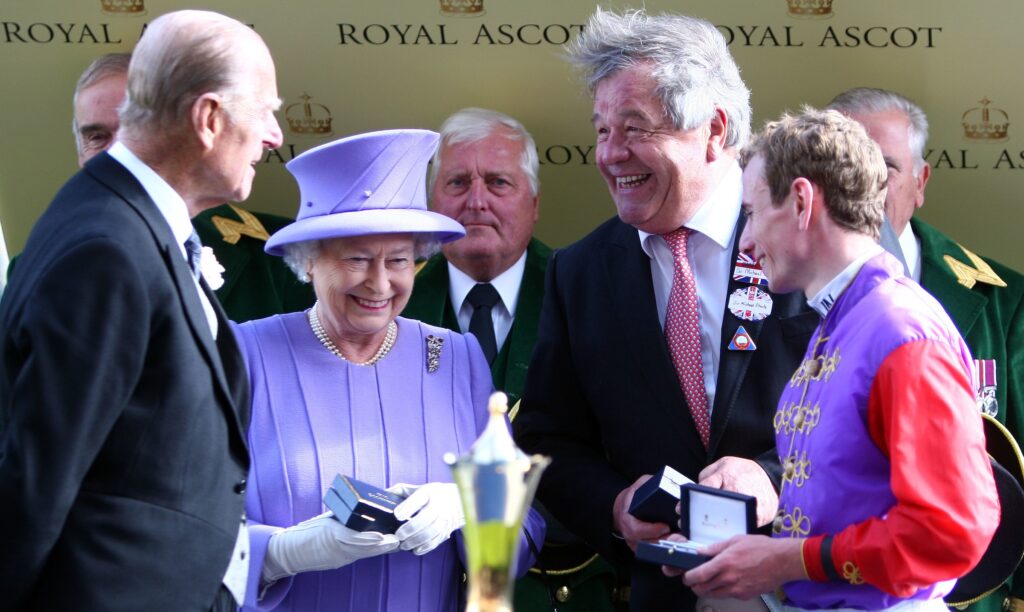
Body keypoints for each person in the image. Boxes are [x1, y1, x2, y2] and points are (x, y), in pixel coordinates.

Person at [511, 8, 820, 610]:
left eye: (635, 128)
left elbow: (873, 416)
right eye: (602, 131)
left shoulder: (809, 238)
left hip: (809, 583)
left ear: (713, 130)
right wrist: (615, 505)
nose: (611, 154)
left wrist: (774, 477)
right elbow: (549, 440)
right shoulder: (580, 272)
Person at [0, 10, 284, 611]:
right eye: (266, 110)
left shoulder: (132, 225)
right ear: (208, 119)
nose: (274, 136)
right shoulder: (107, 248)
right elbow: (35, 481)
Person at [669, 106, 1000, 610]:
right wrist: (749, 557)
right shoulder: (848, 316)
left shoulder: (898, 330)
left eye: (753, 213)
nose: (749, 239)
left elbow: (953, 530)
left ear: (802, 201)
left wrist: (788, 561)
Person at [234, 129, 545, 611]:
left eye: (399, 260)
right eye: (358, 258)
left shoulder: (457, 358)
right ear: (309, 261)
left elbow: (521, 539)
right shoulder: (244, 354)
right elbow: (187, 526)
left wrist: (468, 508)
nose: (380, 283)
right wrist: (280, 554)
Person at [402, 108, 622, 611]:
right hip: (422, 586)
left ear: (535, 202)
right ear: (432, 201)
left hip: (560, 590)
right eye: (457, 182)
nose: (476, 201)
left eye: (498, 182)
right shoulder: (388, 303)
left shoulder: (598, 296)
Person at [827, 87, 1024, 612]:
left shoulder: (1006, 303)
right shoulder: (774, 297)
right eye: (841, 164)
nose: (859, 183)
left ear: (920, 183)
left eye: (884, 167)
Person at [8, 52, 315, 321]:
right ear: (80, 154)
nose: (118, 156)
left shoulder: (283, 252)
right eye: (97, 138)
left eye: (136, 132)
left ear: (195, 133)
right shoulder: (40, 266)